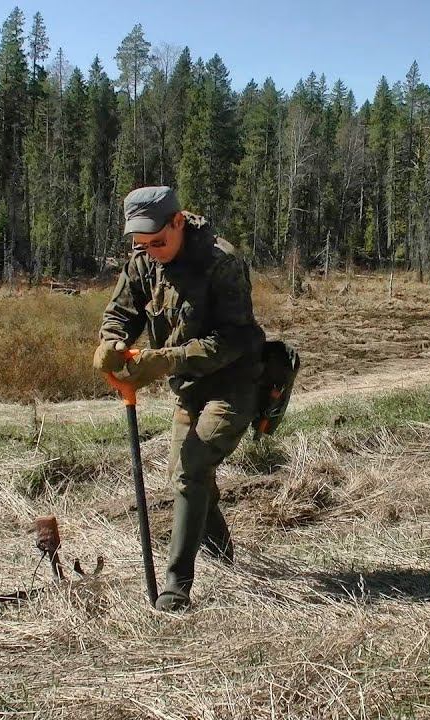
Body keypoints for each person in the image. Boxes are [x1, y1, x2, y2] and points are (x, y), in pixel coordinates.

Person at [94, 186, 265, 612]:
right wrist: (112, 342)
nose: (152, 251)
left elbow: (235, 338)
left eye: (158, 241)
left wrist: (165, 360)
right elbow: (121, 313)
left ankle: (176, 587)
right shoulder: (142, 262)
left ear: (178, 222)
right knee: (187, 476)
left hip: (235, 383)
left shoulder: (221, 261)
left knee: (190, 469)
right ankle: (224, 558)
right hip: (189, 389)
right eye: (142, 244)